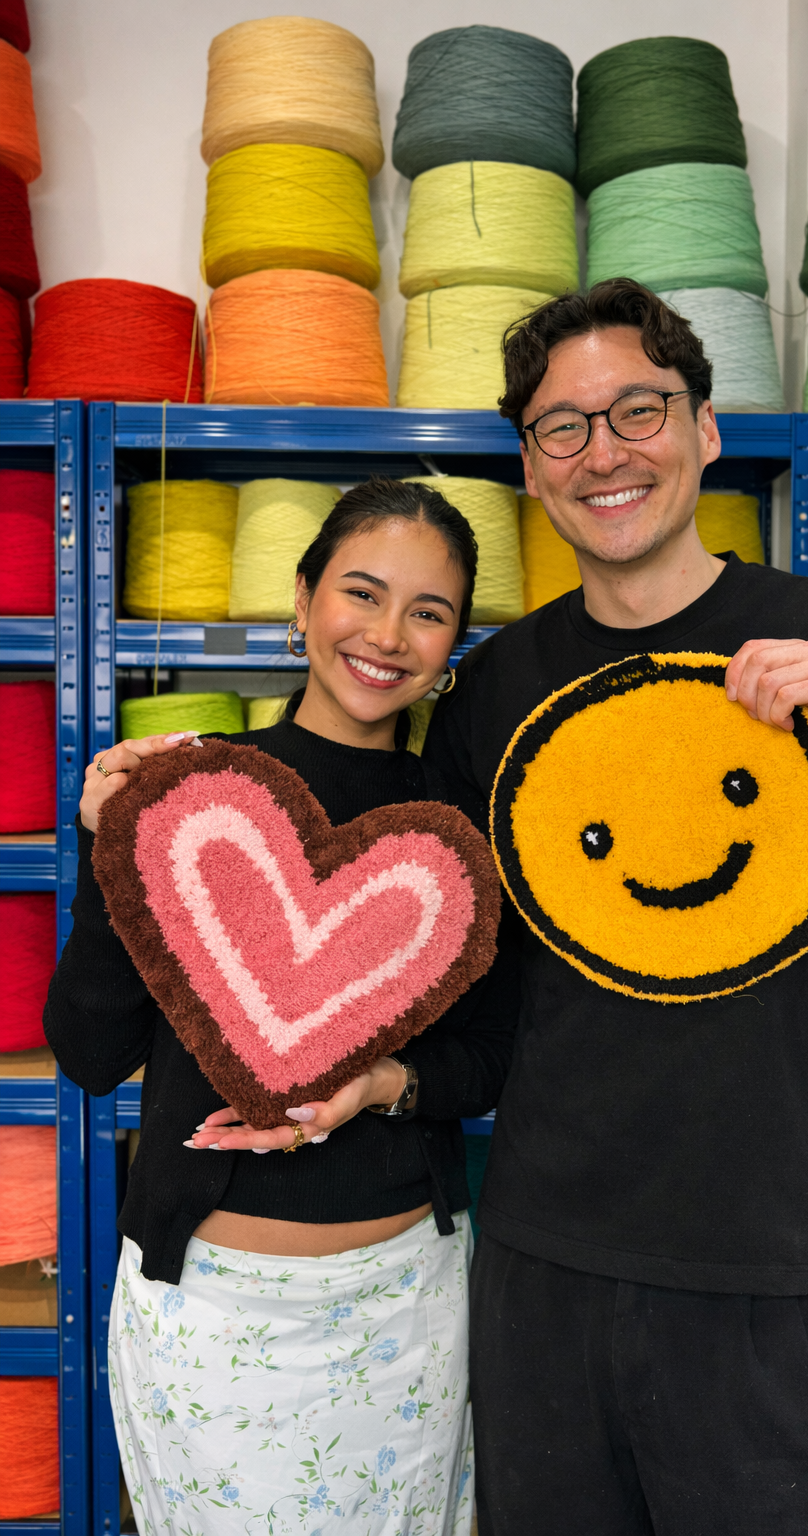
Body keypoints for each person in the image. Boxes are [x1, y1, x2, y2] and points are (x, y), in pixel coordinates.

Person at [422, 279, 808, 1536]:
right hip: (545, 1277)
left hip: (778, 1284)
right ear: (531, 466)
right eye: (562, 427)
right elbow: (417, 927)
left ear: (703, 428)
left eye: (637, 409)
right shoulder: (495, 690)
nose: (604, 452)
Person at [45, 478, 516, 1536]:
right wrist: (105, 855)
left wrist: (383, 1087)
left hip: (406, 1311)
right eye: (361, 591)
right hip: (204, 1315)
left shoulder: (453, 836)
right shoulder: (191, 799)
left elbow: (491, 1059)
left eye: (428, 612)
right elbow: (86, 1052)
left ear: (453, 645)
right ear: (302, 601)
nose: (388, 635)